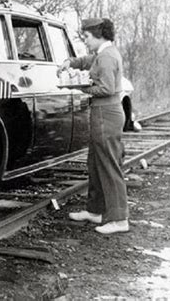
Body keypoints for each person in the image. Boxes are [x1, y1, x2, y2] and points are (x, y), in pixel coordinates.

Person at [57, 18, 129, 234]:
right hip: (103, 113)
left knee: (108, 165)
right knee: (96, 163)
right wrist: (72, 62)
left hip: (106, 113)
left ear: (98, 35)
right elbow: (89, 60)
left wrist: (80, 87)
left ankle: (119, 219)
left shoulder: (107, 57)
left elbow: (106, 88)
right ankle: (96, 211)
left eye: (87, 37)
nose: (85, 41)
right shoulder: (103, 54)